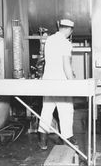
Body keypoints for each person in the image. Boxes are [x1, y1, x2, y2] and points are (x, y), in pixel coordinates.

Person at [38, 19, 76, 150]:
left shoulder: (49, 40)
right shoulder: (65, 43)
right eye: (71, 31)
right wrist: (72, 82)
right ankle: (67, 139)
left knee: (47, 110)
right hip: (61, 82)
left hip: (48, 81)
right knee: (66, 110)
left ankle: (42, 142)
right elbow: (66, 65)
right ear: (68, 30)